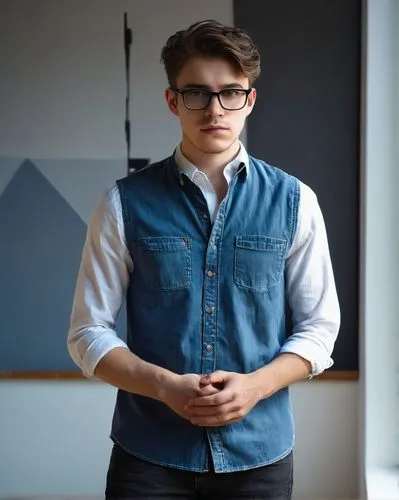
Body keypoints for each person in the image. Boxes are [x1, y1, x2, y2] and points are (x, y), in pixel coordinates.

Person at [68, 19, 340, 500]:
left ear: (249, 100)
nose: (214, 109)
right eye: (197, 93)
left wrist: (256, 386)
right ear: (173, 100)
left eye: (231, 93)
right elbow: (87, 335)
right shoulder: (121, 203)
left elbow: (320, 328)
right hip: (147, 458)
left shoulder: (297, 201)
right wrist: (165, 386)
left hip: (260, 460)